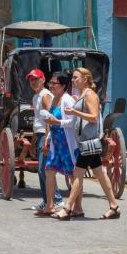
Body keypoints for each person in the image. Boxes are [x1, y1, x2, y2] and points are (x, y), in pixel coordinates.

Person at [53, 67, 120, 220]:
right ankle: (114, 206)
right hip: (86, 141)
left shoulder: (90, 95)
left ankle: (68, 208)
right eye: (73, 78)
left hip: (89, 141)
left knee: (77, 174)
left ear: (85, 79)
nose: (73, 80)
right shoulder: (83, 95)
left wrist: (74, 112)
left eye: (76, 77)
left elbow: (94, 117)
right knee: (100, 174)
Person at [38, 72, 76, 217]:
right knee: (49, 171)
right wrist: (47, 137)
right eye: (51, 83)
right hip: (55, 142)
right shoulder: (54, 99)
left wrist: (57, 122)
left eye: (55, 84)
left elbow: (73, 122)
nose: (52, 86)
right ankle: (50, 205)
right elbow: (50, 120)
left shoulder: (67, 100)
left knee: (72, 175)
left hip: (67, 143)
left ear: (64, 86)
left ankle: (74, 206)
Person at [25, 69, 62, 212]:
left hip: (46, 135)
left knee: (44, 170)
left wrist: (47, 137)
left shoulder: (45, 95)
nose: (33, 82)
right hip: (40, 135)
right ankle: (48, 201)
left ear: (43, 80)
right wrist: (34, 141)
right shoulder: (36, 97)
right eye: (31, 80)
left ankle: (56, 200)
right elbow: (38, 120)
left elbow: (50, 118)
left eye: (36, 79)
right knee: (44, 170)